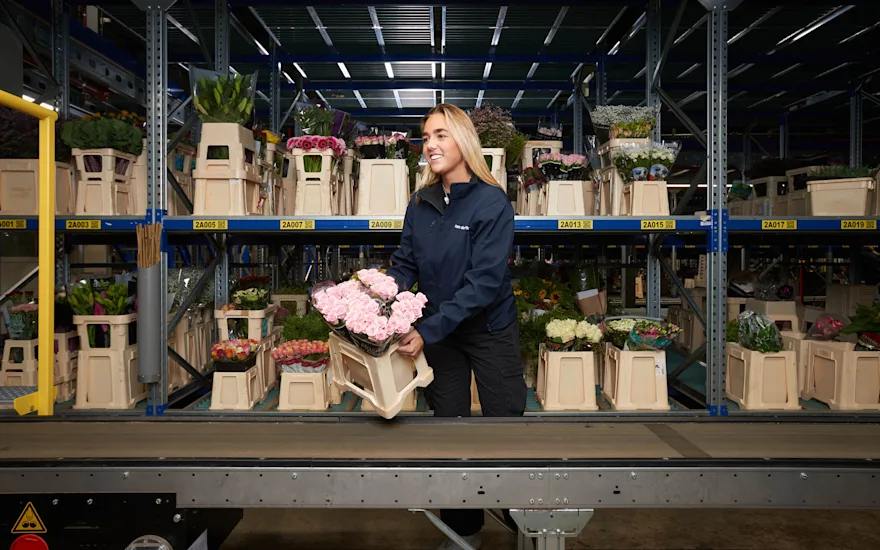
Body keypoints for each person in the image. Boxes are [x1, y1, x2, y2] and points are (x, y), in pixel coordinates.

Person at [385, 104, 526, 550]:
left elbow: (484, 282)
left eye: (441, 135)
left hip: (488, 331)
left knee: (505, 425)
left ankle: (522, 520)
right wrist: (374, 303)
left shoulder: (491, 201)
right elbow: (405, 264)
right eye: (426, 137)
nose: (430, 145)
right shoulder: (421, 203)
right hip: (441, 335)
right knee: (448, 431)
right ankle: (464, 531)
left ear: (464, 141)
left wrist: (428, 329)